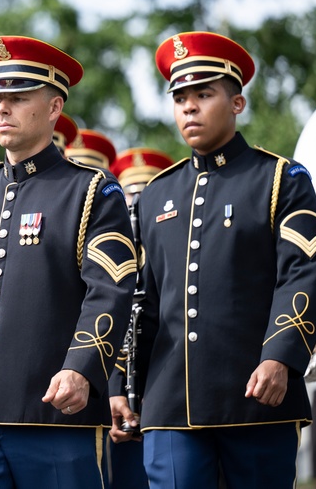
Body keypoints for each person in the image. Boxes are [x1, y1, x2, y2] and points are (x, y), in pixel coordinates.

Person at [0, 35, 136, 489]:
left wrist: (82, 368)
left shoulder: (93, 191)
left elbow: (111, 288)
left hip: (56, 417)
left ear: (55, 106)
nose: (2, 109)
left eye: (17, 98)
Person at [132, 31, 316, 488]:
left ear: (237, 103)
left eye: (204, 94)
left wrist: (281, 357)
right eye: (180, 97)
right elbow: (143, 301)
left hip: (258, 397)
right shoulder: (157, 193)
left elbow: (305, 271)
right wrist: (126, 385)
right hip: (171, 404)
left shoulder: (281, 178)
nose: (190, 107)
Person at [106, 146, 175, 489]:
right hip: (119, 397)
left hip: (165, 389)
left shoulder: (168, 251)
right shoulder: (111, 252)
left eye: (143, 193)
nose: (135, 202)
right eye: (129, 193)